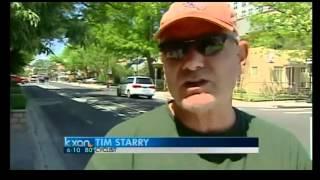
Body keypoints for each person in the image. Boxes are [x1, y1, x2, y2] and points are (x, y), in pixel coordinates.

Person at [85, 2, 311, 170]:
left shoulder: (286, 152)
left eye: (211, 44)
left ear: (240, 56)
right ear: (164, 62)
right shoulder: (122, 149)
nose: (192, 64)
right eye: (175, 49)